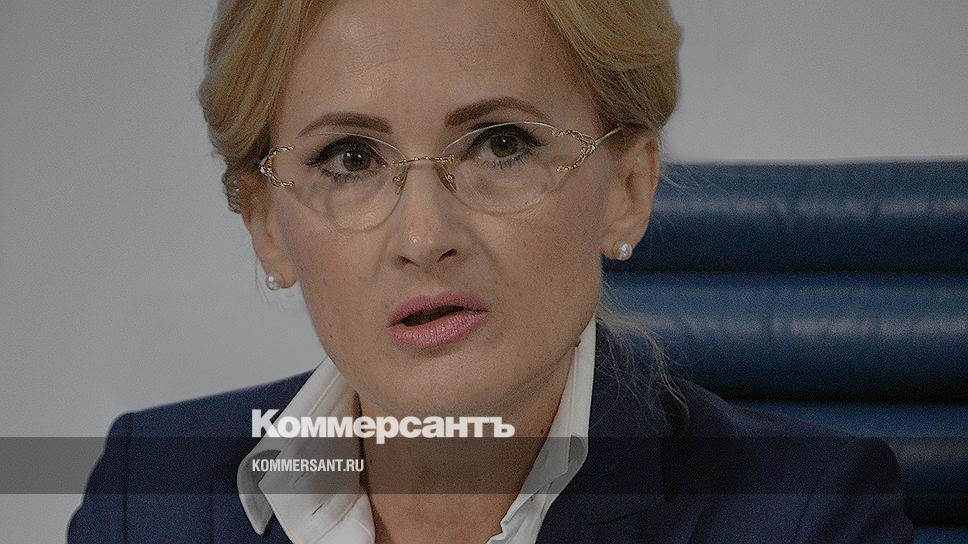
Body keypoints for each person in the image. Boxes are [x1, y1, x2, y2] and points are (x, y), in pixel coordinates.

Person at [68, 0, 914, 542]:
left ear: (627, 188)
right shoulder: (149, 494)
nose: (424, 235)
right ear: (266, 225)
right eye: (351, 157)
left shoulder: (807, 515)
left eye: (501, 144)